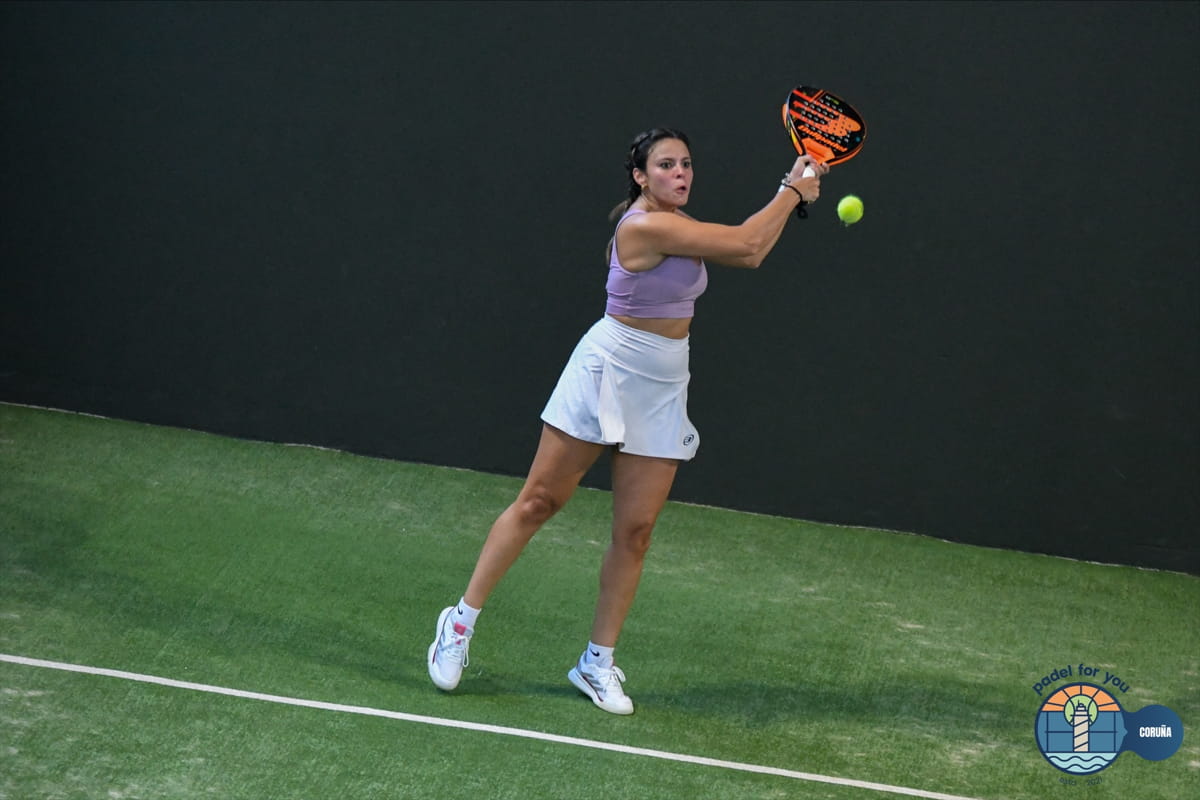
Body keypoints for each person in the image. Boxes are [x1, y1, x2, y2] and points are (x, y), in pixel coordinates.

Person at [428, 127, 828, 715]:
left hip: (663, 381)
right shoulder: (642, 227)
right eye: (666, 165)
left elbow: (754, 250)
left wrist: (791, 195)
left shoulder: (680, 223)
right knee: (538, 502)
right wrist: (792, 191)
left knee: (636, 532)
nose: (680, 173)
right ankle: (458, 623)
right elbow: (746, 243)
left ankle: (596, 661)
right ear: (640, 176)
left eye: (686, 163)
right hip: (608, 369)